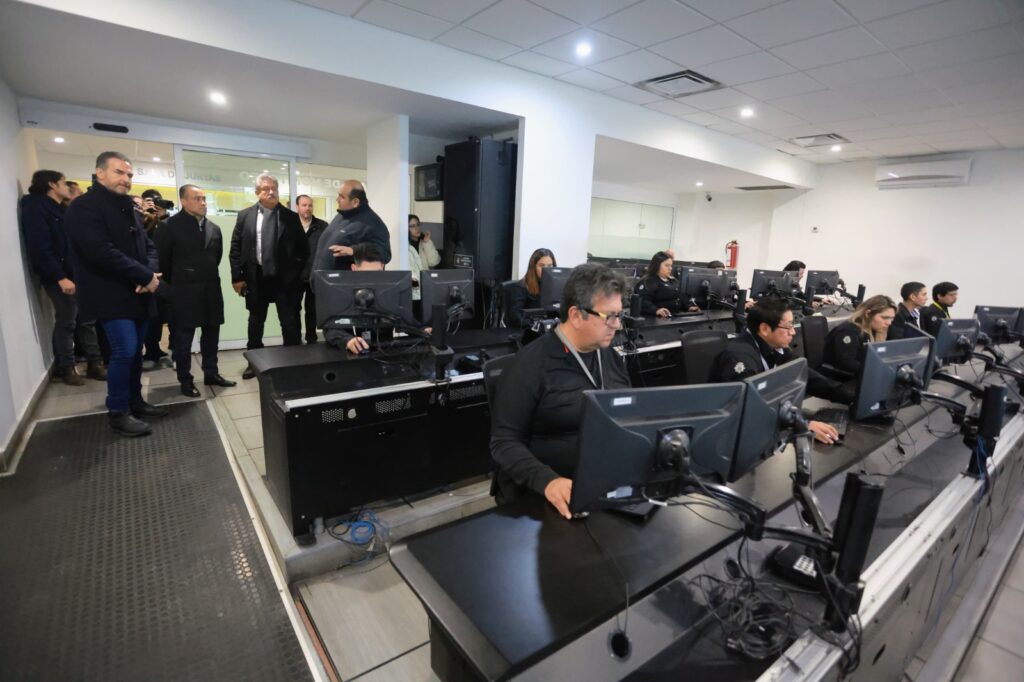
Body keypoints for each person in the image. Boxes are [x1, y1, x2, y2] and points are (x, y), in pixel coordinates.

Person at [490, 264, 631, 519]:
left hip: (603, 483)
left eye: (619, 315)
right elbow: (504, 442)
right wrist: (548, 481)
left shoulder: (610, 357)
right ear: (576, 315)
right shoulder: (530, 365)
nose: (617, 325)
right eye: (609, 316)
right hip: (547, 493)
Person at [65, 151, 167, 437]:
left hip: (139, 292)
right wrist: (144, 276)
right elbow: (99, 251)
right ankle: (118, 411)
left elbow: (148, 246)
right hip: (109, 292)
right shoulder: (83, 207)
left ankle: (135, 401)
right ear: (100, 173)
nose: (126, 179)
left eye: (129, 174)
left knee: (136, 352)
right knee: (124, 351)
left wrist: (150, 273)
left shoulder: (128, 207)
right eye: (119, 172)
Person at [710, 299, 844, 443]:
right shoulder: (739, 356)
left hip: (761, 422)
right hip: (729, 432)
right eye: (788, 326)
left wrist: (845, 395)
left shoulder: (776, 346)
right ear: (765, 329)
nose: (793, 332)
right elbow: (749, 406)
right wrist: (803, 425)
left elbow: (806, 376)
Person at [21, 169, 106, 385]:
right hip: (60, 276)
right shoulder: (36, 207)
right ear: (51, 184)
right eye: (63, 182)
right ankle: (66, 366)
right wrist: (59, 277)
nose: (67, 187)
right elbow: (40, 247)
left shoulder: (59, 208)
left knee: (87, 320)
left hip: (76, 272)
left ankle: (94, 363)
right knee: (67, 321)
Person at [155, 184, 236, 397]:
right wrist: (172, 288)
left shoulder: (214, 228)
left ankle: (211, 372)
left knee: (211, 334)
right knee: (183, 340)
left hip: (210, 289)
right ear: (183, 201)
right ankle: (185, 379)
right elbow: (162, 261)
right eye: (197, 199)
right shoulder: (168, 226)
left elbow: (216, 258)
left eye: (204, 198)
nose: (203, 203)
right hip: (183, 292)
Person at [229, 173, 309, 379]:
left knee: (289, 322)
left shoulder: (291, 217)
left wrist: (300, 277)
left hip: (285, 280)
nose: (271, 192)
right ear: (257, 192)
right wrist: (237, 277)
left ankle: (292, 362)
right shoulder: (245, 216)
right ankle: (253, 362)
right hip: (256, 277)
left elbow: (303, 249)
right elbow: (236, 248)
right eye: (266, 189)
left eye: (274, 188)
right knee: (255, 322)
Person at [323, 243, 420, 354]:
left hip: (386, 351)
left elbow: (405, 320)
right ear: (354, 268)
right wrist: (347, 340)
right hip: (354, 354)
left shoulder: (390, 290)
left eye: (377, 273)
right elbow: (330, 328)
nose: (373, 279)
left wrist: (421, 330)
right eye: (367, 273)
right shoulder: (342, 292)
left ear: (382, 267)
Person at [314, 180, 391, 272]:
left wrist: (354, 250)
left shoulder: (372, 223)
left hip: (342, 280)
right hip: (321, 278)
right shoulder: (341, 216)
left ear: (355, 202)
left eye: (342, 197)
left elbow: (385, 254)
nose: (337, 199)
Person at [139, 189, 174, 370]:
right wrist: (145, 217)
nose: (155, 206)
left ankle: (174, 350)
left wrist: (162, 216)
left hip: (169, 275)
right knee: (153, 317)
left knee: (172, 315)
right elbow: (140, 241)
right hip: (149, 275)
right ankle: (151, 351)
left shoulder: (167, 222)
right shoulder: (139, 220)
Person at [823, 295, 897, 376]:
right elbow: (847, 363)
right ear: (868, 314)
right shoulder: (848, 331)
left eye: (891, 318)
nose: (889, 323)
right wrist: (876, 369)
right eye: (884, 318)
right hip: (839, 378)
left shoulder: (875, 329)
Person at [296, 194, 328, 344]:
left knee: (312, 310)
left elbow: (326, 250)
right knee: (293, 310)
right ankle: (295, 340)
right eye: (304, 205)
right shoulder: (290, 225)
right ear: (297, 207)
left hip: (314, 274)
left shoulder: (322, 226)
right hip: (294, 276)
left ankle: (311, 339)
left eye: (310, 205)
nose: (307, 208)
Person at [506, 247, 555, 328]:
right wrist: (536, 325)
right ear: (533, 267)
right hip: (529, 330)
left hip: (548, 329)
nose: (546, 270)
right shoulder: (521, 287)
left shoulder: (554, 287)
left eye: (550, 266)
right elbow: (516, 317)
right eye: (541, 266)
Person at [636, 251, 686, 317]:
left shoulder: (673, 281)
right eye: (667, 265)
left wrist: (688, 306)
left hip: (675, 316)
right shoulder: (647, 282)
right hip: (655, 318)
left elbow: (681, 297)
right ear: (657, 266)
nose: (670, 268)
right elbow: (643, 302)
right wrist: (656, 310)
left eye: (671, 265)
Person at [407, 214, 440, 303]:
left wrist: (427, 242)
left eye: (418, 224)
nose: (417, 228)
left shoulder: (424, 242)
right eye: (412, 226)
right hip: (411, 290)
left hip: (425, 288)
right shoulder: (405, 246)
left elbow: (434, 262)